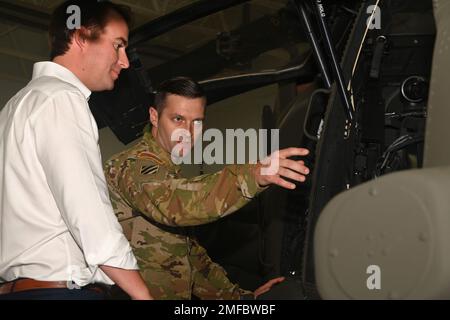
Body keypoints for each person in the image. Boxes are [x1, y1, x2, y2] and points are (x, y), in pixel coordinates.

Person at [105, 77, 310, 299]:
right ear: (154, 117)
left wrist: (240, 299)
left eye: (197, 122)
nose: (188, 132)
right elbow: (176, 205)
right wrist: (254, 175)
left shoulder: (168, 171)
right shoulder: (132, 166)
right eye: (178, 119)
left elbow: (191, 258)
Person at [0, 0, 151, 300]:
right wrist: (142, 295)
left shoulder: (14, 108)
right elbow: (88, 211)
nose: (124, 61)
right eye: (118, 46)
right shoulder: (62, 100)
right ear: (81, 36)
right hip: (62, 291)